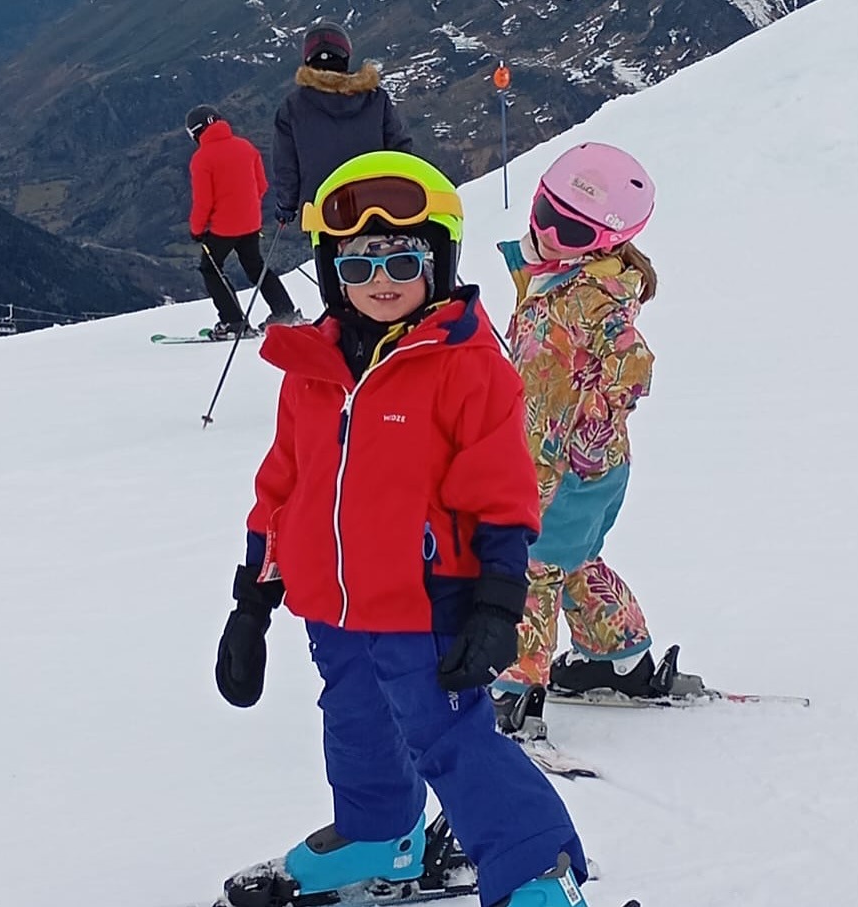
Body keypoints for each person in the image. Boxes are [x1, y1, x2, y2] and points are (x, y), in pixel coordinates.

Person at [214, 150, 590, 907]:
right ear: (330, 273)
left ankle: (536, 876)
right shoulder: (313, 370)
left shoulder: (467, 368)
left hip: (428, 607)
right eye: (357, 266)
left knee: (454, 744)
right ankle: (378, 834)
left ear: (439, 261)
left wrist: (494, 602)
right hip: (335, 607)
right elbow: (282, 484)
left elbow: (503, 495)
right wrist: (252, 601)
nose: (380, 281)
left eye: (403, 259)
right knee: (356, 726)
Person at [492, 142, 660, 710]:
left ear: (606, 243)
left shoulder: (580, 300)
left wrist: (531, 481)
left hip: (555, 465)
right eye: (544, 215)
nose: (550, 236)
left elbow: (620, 369)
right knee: (574, 559)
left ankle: (512, 690)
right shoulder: (569, 281)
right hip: (596, 467)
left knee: (527, 567)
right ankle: (621, 659)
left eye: (573, 233)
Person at [271, 21, 412, 226]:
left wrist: (286, 206)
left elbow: (286, 165)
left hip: (321, 211)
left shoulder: (292, 107)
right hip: (377, 205)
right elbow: (400, 149)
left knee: (328, 257)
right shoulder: (376, 99)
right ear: (345, 55)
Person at [185, 104, 302, 339]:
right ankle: (285, 312)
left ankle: (233, 322)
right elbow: (262, 186)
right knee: (256, 267)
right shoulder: (245, 147)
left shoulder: (202, 158)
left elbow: (203, 202)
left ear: (196, 132)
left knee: (211, 268)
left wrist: (197, 229)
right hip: (251, 223)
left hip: (222, 228)